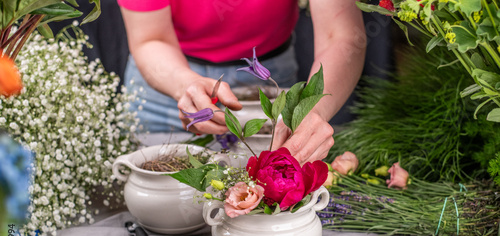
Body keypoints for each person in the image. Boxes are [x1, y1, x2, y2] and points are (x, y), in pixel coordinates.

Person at [117, 0, 366, 164]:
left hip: (269, 75)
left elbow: (341, 35)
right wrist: (186, 84)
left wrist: (312, 109)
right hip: (166, 79)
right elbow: (150, 38)